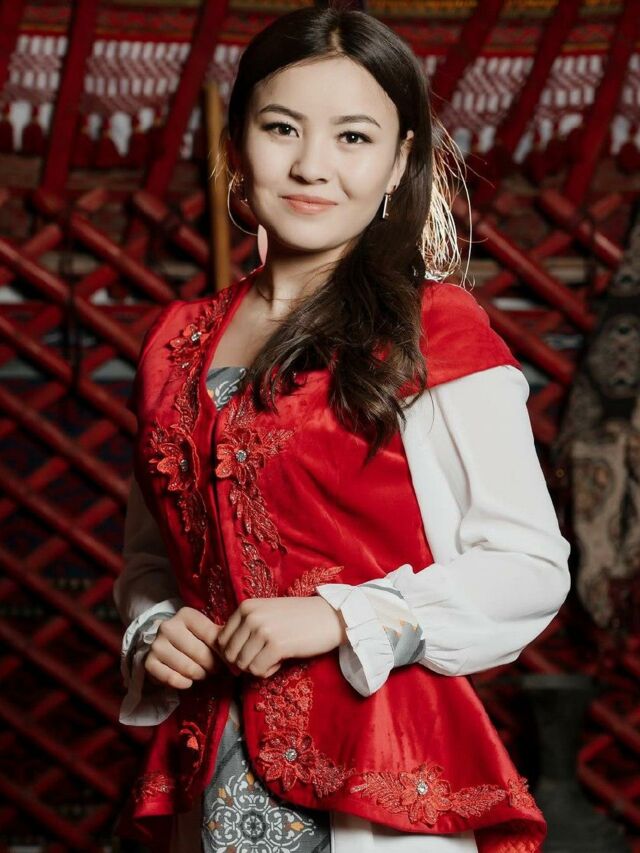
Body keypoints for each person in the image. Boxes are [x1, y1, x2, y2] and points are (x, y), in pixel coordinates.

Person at [113, 5, 571, 852]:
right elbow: (152, 560)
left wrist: (341, 616)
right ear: (237, 144)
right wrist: (156, 627)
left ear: (399, 160)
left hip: (380, 782)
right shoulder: (174, 341)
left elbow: (530, 566)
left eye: (353, 137)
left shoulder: (435, 328)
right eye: (281, 127)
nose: (312, 165)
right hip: (205, 773)